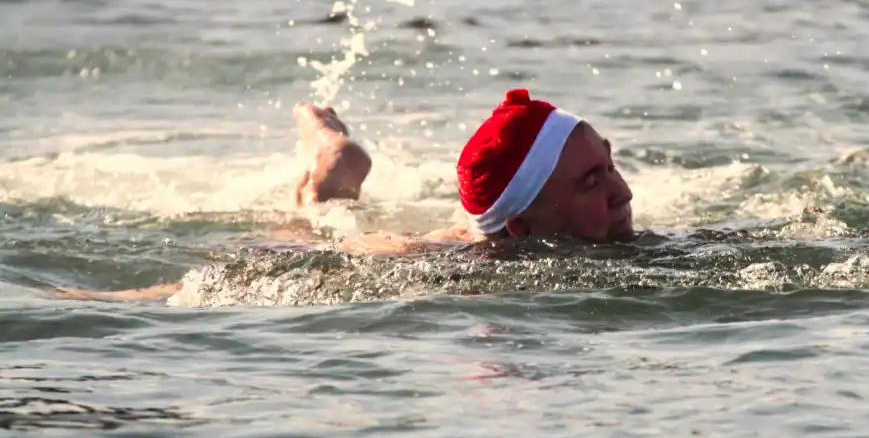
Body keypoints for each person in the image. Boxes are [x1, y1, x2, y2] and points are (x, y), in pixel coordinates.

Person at [53, 88, 637, 301]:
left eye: (609, 166)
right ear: (521, 229)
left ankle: (334, 170)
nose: (622, 191)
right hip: (373, 248)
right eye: (591, 181)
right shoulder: (448, 265)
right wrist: (119, 299)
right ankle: (330, 165)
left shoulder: (570, 237)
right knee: (308, 226)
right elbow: (259, 272)